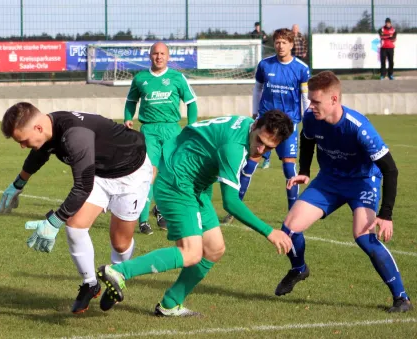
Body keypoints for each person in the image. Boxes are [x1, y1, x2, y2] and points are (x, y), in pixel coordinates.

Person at [95, 111, 294, 317]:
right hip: (177, 184)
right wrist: (270, 232)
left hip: (194, 186)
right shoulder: (233, 147)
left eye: (269, 147)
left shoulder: (245, 123)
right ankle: (118, 272)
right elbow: (231, 202)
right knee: (191, 253)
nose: (261, 149)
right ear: (255, 127)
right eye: (259, 141)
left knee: (214, 249)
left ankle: (170, 304)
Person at [273, 71, 412, 313]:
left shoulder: (359, 128)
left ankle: (401, 298)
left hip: (362, 183)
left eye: (316, 101)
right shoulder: (311, 118)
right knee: (290, 228)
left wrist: (386, 215)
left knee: (364, 237)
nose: (311, 106)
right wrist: (305, 169)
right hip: (328, 180)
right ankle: (298, 269)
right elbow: (307, 140)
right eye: (310, 100)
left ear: (334, 100)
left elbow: (390, 170)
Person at [0, 102, 153, 314]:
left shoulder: (75, 136)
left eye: (23, 140)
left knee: (119, 242)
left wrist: (53, 222)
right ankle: (91, 283)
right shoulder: (49, 128)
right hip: (98, 173)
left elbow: (82, 186)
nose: (22, 146)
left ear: (38, 128)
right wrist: (18, 183)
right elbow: (40, 153)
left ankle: (118, 275)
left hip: (130, 174)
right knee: (75, 226)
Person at [223, 28, 311, 224]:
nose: (280, 46)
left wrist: (308, 118)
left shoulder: (301, 69)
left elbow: (305, 96)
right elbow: (257, 89)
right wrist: (255, 112)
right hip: (265, 124)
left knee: (289, 168)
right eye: (278, 42)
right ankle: (233, 210)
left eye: (284, 42)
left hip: (288, 126)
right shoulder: (265, 65)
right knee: (249, 166)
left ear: (291, 45)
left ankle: (292, 213)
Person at [124, 41, 198, 236]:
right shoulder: (141, 78)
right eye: (155, 53)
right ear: (150, 56)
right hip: (149, 130)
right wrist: (127, 118)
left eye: (162, 53)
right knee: (150, 172)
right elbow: (131, 102)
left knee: (171, 173)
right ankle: (142, 220)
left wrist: (190, 126)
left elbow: (191, 103)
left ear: (168, 56)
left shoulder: (177, 77)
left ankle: (160, 209)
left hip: (172, 130)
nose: (159, 56)